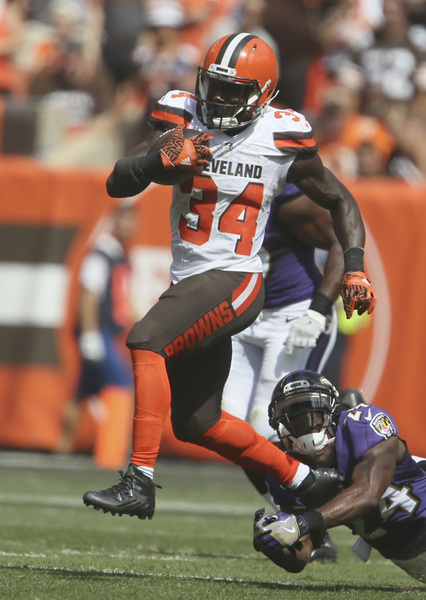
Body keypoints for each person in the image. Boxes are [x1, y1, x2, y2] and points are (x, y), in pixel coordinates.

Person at [82, 32, 377, 521]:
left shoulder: (281, 135)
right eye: (213, 86)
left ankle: (139, 479)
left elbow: (340, 199)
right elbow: (118, 180)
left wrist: (356, 267)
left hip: (237, 277)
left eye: (232, 90)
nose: (217, 99)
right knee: (198, 422)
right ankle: (306, 480)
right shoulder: (181, 115)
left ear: (262, 94)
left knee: (147, 338)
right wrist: (157, 161)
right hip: (192, 278)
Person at [221, 185, 342, 498]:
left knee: (272, 426)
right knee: (227, 426)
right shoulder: (212, 193)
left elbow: (341, 240)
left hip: (292, 315)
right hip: (244, 315)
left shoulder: (284, 200)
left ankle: (317, 509)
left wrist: (317, 310)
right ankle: (285, 509)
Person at [253, 370, 426, 583]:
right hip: (410, 557)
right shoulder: (290, 469)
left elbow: (367, 494)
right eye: (294, 420)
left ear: (331, 411)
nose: (304, 426)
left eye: (311, 414)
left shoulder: (361, 425)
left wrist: (302, 523)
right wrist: (276, 544)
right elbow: (302, 554)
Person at [57, 202, 137, 469]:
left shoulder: (120, 256)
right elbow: (89, 295)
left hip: (107, 332)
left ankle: (63, 447)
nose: (128, 226)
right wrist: (90, 335)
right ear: (113, 222)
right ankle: (110, 455)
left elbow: (123, 300)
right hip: (98, 332)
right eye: (123, 220)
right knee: (121, 385)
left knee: (82, 391)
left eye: (131, 221)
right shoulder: (101, 255)